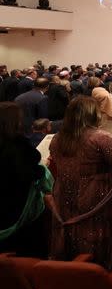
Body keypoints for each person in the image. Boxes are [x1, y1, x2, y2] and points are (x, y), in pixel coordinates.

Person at [49, 96, 112, 269]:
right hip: (95, 194)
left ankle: (72, 273)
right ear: (92, 114)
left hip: (64, 192)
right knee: (94, 234)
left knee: (71, 232)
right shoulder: (101, 138)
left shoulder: (57, 138)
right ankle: (96, 274)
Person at [0, 102, 53, 258]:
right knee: (25, 260)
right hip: (19, 212)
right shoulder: (17, 146)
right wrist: (41, 170)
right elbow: (26, 174)